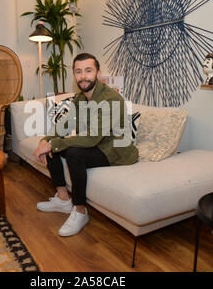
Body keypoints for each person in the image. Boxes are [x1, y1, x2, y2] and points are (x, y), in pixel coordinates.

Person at [33, 53, 138, 237]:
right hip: (98, 144)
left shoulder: (110, 98)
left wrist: (53, 144)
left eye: (88, 71)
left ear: (97, 73)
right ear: (74, 75)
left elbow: (91, 138)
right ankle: (64, 200)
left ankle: (80, 211)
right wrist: (46, 140)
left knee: (72, 152)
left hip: (116, 150)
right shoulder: (80, 99)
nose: (83, 76)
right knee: (54, 145)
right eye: (78, 71)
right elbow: (65, 124)